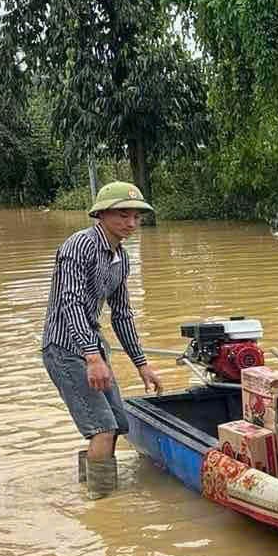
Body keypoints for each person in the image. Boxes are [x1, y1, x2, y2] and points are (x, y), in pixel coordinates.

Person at [40, 181, 165, 495]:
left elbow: (122, 314)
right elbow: (71, 303)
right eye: (123, 215)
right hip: (65, 347)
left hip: (93, 345)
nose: (131, 223)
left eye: (136, 217)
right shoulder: (78, 246)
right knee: (103, 429)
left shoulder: (120, 259)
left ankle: (90, 486)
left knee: (119, 424)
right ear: (102, 214)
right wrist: (91, 358)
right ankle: (103, 505)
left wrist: (142, 364)